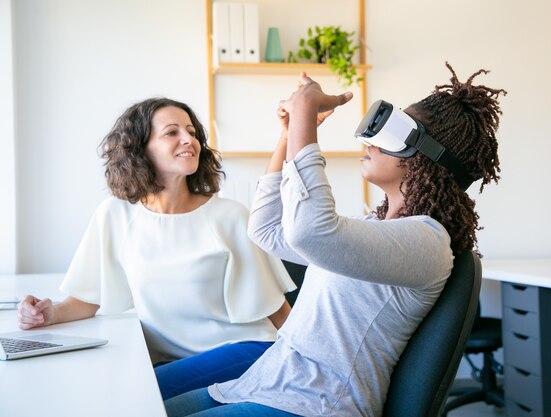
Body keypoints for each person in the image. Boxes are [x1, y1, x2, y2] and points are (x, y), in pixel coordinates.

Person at [164, 63, 506, 417]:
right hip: (266, 384)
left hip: (318, 405)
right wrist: (288, 133)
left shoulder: (427, 242)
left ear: (428, 156)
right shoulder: (373, 228)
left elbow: (310, 230)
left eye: (395, 133)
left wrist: (305, 120)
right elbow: (265, 230)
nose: (370, 141)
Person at [16, 97, 296, 401]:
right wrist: (48, 313)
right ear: (140, 148)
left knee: (127, 396)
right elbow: (88, 298)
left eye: (191, 131)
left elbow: (275, 307)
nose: (189, 140)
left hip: (244, 350)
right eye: (172, 132)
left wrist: (310, 360)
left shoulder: (230, 216)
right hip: (168, 360)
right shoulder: (115, 215)